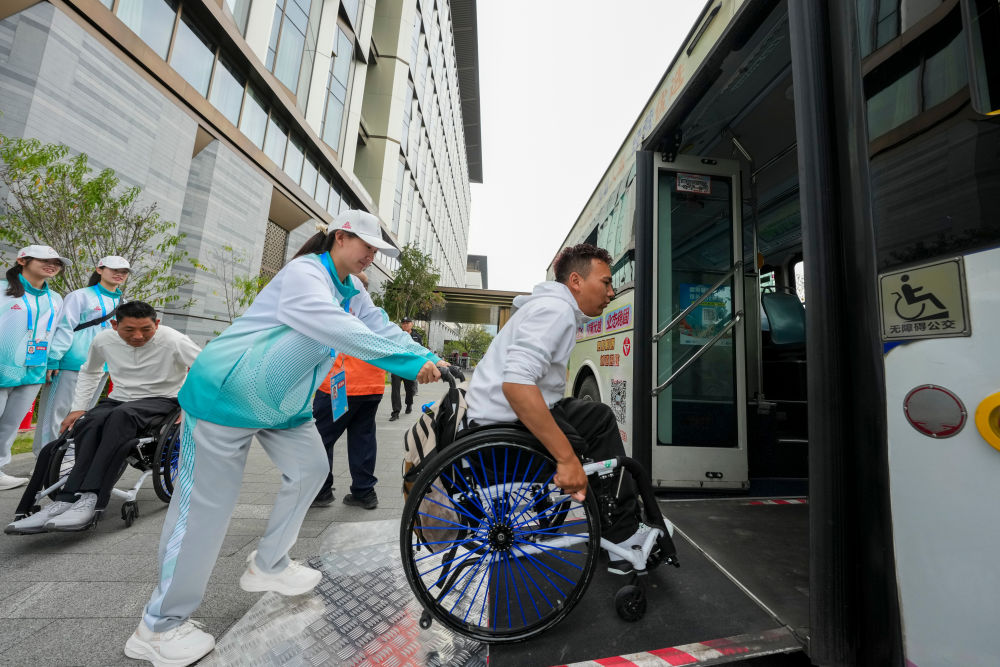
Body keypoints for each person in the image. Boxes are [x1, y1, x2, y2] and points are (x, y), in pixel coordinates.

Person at [127, 210, 448, 667]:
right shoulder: (304, 274)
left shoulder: (351, 289)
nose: (371, 257)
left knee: (312, 469)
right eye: (367, 246)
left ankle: (269, 563)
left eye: (376, 251)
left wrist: (429, 355)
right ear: (340, 237)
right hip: (228, 394)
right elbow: (337, 328)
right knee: (204, 509)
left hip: (281, 403)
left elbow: (379, 326)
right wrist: (410, 364)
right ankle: (158, 627)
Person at [465, 243, 647, 573]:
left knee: (597, 416)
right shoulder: (555, 311)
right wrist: (566, 459)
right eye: (606, 282)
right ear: (576, 281)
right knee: (596, 430)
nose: (611, 292)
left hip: (492, 420)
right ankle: (622, 535)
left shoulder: (548, 307)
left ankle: (611, 522)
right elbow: (517, 384)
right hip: (503, 434)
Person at [5, 300, 201, 533]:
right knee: (88, 421)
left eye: (146, 329)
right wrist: (78, 408)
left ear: (156, 324)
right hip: (120, 399)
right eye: (129, 330)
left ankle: (91, 497)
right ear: (115, 325)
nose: (138, 336)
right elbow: (90, 371)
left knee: (121, 416)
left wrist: (190, 405)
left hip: (162, 399)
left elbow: (204, 369)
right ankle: (64, 500)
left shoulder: (174, 340)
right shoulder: (103, 340)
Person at [34, 256, 130, 453]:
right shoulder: (80, 296)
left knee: (82, 414)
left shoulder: (124, 303)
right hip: (72, 363)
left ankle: (64, 459)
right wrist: (54, 358)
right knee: (55, 414)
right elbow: (64, 327)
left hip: (102, 366)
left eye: (124, 272)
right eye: (114, 270)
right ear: (99, 270)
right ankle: (45, 457)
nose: (119, 274)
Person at [311, 273, 386, 510]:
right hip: (372, 385)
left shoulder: (341, 308)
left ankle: (320, 490)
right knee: (363, 438)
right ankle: (364, 491)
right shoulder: (376, 314)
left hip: (341, 384)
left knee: (321, 438)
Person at [0, 245, 69, 491]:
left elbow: (58, 331)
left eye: (57, 262)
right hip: (3, 366)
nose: (52, 265)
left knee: (11, 424)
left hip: (33, 369)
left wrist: (52, 359)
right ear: (22, 260)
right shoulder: (3, 290)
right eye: (44, 260)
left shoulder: (55, 298)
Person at [389, 316, 422, 421]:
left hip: (409, 367)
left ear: (411, 324)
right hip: (397, 366)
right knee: (395, 389)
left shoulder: (417, 337)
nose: (406, 324)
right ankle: (395, 412)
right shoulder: (396, 336)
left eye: (408, 323)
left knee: (409, 388)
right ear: (401, 325)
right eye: (403, 323)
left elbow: (420, 351)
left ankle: (409, 404)